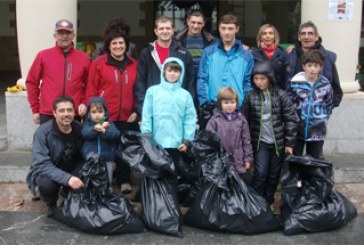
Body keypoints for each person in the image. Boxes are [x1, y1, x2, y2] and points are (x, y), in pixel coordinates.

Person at [86, 29, 138, 194]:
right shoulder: (99, 63)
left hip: (127, 115)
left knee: (124, 148)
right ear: (108, 45)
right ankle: (103, 178)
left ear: (126, 45)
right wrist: (92, 114)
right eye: (114, 43)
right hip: (104, 115)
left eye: (121, 43)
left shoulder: (133, 64)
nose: (118, 46)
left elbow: (138, 89)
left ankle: (124, 180)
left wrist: (137, 110)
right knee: (106, 147)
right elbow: (91, 89)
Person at [243, 61, 298, 208]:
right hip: (260, 143)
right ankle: (255, 202)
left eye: (262, 78)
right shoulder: (250, 96)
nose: (259, 82)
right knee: (260, 173)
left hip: (278, 144)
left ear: (270, 78)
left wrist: (289, 143)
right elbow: (244, 121)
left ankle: (268, 202)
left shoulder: (281, 95)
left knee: (274, 176)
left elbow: (291, 119)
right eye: (256, 78)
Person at [26, 96, 85, 217]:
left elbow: (88, 154)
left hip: (73, 167)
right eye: (61, 110)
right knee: (46, 185)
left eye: (69, 110)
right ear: (54, 113)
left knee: (89, 173)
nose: (66, 114)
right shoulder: (43, 132)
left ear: (74, 112)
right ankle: (51, 204)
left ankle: (69, 194)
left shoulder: (81, 129)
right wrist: (67, 178)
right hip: (51, 169)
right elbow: (40, 164)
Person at [26, 19, 90, 125]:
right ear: (55, 36)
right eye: (60, 33)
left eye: (68, 33)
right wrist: (35, 109)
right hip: (48, 113)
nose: (64, 36)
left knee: (72, 142)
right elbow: (32, 82)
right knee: (48, 141)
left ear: (73, 35)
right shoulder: (43, 56)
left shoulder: (83, 58)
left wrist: (84, 102)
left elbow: (90, 85)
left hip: (73, 113)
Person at [141, 57, 196, 168]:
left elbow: (190, 119)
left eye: (176, 71)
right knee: (157, 174)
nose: (172, 74)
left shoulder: (185, 95)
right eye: (170, 70)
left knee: (174, 173)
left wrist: (187, 141)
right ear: (164, 72)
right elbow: (147, 115)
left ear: (181, 73)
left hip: (177, 143)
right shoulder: (152, 92)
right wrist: (148, 136)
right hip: (156, 142)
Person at [135, 16, 195, 115]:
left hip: (178, 106)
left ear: (173, 31)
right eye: (161, 28)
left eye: (168, 28)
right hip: (154, 105)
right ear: (155, 31)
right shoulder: (147, 53)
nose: (165, 31)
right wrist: (143, 107)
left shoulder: (183, 53)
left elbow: (190, 81)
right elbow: (140, 81)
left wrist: (189, 107)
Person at [197, 14, 253, 108]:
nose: (226, 32)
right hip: (213, 105)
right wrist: (205, 103)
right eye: (223, 28)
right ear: (219, 29)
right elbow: (202, 79)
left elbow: (248, 83)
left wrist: (245, 105)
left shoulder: (246, 55)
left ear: (237, 29)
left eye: (230, 29)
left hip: (237, 107)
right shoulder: (208, 52)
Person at [282, 21, 342, 108]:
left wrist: (327, 109)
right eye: (303, 34)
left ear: (316, 37)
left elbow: (336, 88)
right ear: (299, 37)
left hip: (317, 115)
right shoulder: (289, 55)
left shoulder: (327, 58)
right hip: (293, 112)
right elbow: (281, 83)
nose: (306, 37)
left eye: (310, 33)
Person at [289, 49, 333, 159]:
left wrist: (322, 119)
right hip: (298, 129)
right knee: (295, 159)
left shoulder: (326, 85)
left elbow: (329, 104)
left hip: (317, 131)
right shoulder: (295, 83)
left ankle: (312, 177)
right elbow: (289, 104)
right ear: (304, 66)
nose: (313, 69)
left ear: (321, 67)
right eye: (310, 65)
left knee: (314, 160)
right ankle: (296, 177)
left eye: (316, 66)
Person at [206, 87, 253, 177]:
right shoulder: (214, 120)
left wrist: (248, 158)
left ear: (236, 103)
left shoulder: (241, 120)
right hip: (220, 162)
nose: (229, 105)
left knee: (236, 186)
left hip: (237, 161)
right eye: (226, 102)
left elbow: (246, 141)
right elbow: (209, 142)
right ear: (220, 103)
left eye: (232, 102)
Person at [81, 97, 120, 187]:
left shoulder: (109, 124)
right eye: (94, 112)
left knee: (108, 180)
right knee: (92, 180)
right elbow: (85, 134)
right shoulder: (87, 125)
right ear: (89, 113)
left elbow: (116, 134)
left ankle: (106, 195)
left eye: (100, 112)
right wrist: (95, 128)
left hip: (107, 159)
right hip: (91, 159)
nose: (97, 115)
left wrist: (104, 131)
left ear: (105, 112)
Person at [175, 10, 215, 81]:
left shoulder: (211, 41)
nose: (196, 26)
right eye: (193, 22)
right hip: (184, 76)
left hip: (204, 77)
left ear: (203, 24)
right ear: (188, 22)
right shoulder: (178, 40)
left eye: (199, 23)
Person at [251, 24, 285, 89]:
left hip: (278, 91)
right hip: (258, 90)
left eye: (271, 33)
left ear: (275, 36)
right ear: (260, 37)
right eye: (264, 33)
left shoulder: (282, 53)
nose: (268, 36)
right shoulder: (253, 52)